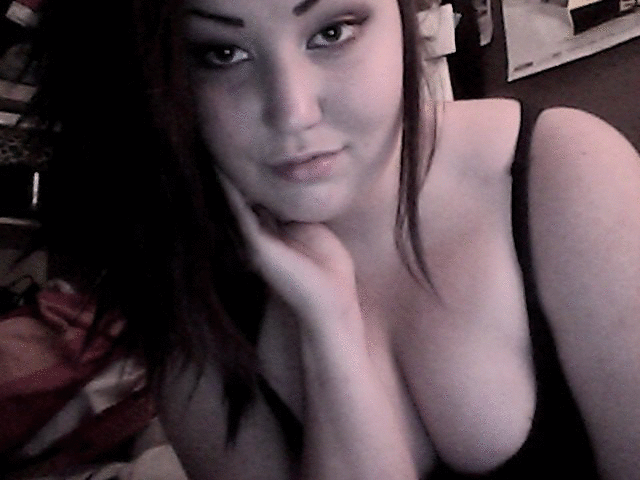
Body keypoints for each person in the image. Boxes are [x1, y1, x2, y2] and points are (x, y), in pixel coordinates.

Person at [25, 0, 640, 478]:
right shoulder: (187, 302)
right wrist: (333, 333)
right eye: (222, 53)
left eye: (332, 31)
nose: (293, 111)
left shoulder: (563, 172)